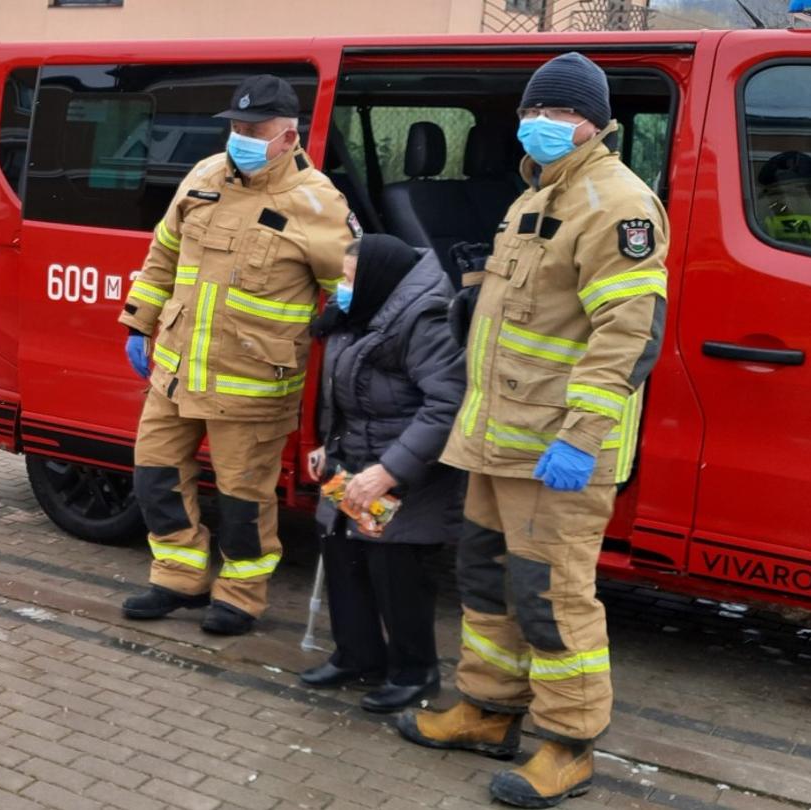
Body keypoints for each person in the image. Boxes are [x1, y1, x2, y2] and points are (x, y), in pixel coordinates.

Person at [399, 52, 669, 809]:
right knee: (487, 580)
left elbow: (627, 335)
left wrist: (581, 438)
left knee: (552, 597)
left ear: (592, 121)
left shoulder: (617, 202)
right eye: (532, 111)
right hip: (499, 436)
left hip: (557, 448)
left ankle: (569, 746)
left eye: (554, 113)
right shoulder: (535, 195)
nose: (538, 125)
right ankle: (487, 711)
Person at [117, 74, 356, 636]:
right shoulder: (205, 175)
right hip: (175, 370)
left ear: (288, 136)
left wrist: (336, 331)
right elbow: (165, 253)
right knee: (154, 476)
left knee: (243, 501)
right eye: (236, 127)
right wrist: (139, 321)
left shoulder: (317, 201)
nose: (241, 137)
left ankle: (241, 596)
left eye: (255, 129)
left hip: (252, 381)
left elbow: (350, 287)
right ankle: (178, 579)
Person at [299, 234, 465, 714]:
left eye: (349, 279)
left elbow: (446, 404)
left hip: (404, 471)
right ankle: (358, 655)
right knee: (343, 555)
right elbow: (342, 390)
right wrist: (324, 445)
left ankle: (415, 673)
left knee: (395, 573)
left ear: (375, 279)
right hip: (351, 462)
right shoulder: (363, 309)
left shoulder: (423, 318)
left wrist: (389, 471)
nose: (341, 290)